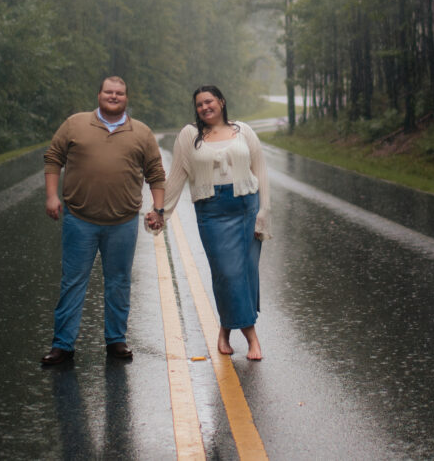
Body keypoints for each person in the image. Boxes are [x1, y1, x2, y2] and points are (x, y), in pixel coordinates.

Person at [41, 76, 166, 366]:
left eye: (119, 93)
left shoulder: (141, 132)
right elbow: (53, 158)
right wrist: (51, 196)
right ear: (99, 95)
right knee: (73, 281)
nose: (114, 96)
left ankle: (116, 341)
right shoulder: (75, 124)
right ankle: (62, 345)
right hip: (79, 219)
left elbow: (156, 174)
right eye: (109, 92)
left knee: (119, 282)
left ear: (126, 98)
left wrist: (158, 210)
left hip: (123, 221)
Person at [147, 85, 270, 360]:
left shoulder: (243, 131)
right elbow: (176, 176)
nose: (205, 107)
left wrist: (264, 211)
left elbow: (260, 170)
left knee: (246, 273)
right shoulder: (189, 136)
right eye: (200, 104)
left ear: (221, 102)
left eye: (209, 101)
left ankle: (225, 331)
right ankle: (252, 337)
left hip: (247, 208)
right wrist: (160, 212)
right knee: (227, 273)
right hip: (212, 212)